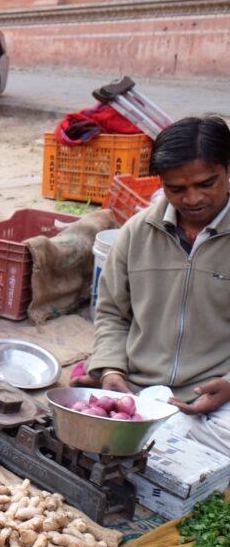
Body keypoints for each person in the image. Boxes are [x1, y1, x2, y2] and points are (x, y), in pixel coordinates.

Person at [74, 116, 230, 454]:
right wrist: (111, 368)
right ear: (161, 182)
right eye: (177, 189)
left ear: (227, 169)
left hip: (220, 395)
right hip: (142, 388)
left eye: (206, 183)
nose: (192, 199)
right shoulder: (136, 233)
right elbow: (113, 313)